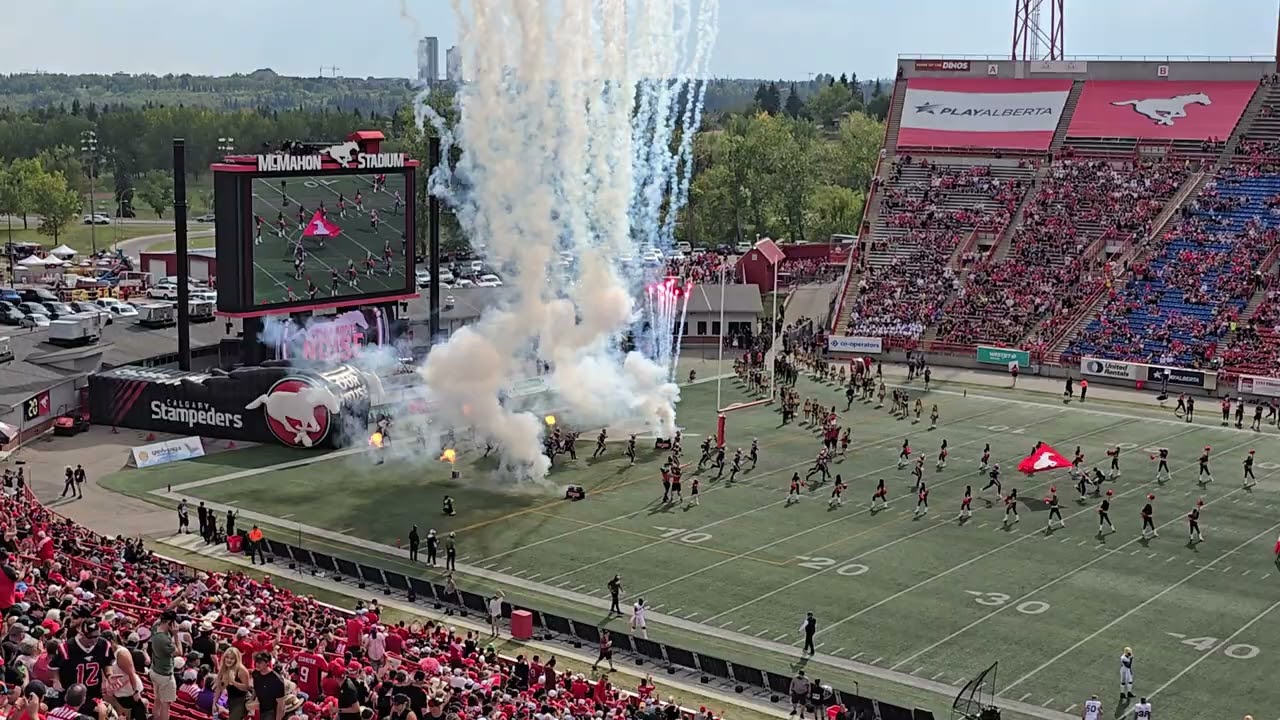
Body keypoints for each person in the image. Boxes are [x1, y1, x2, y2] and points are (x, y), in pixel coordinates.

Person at [149, 608, 181, 720]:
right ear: (169, 622)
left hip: (154, 670)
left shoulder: (155, 628)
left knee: (157, 699)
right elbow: (179, 652)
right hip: (165, 675)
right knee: (165, 705)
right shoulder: (164, 640)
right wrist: (176, 635)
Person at [213, 647, 252, 720]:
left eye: (232, 658)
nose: (229, 660)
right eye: (227, 657)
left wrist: (233, 682)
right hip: (231, 698)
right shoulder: (223, 668)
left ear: (236, 659)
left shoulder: (242, 670)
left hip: (242, 699)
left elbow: (246, 688)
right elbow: (219, 687)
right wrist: (214, 703)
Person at [251, 651, 288, 720]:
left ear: (267, 663)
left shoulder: (276, 680)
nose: (257, 664)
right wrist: (252, 699)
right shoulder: (256, 673)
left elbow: (281, 704)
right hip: (259, 708)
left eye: (260, 662)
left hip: (271, 711)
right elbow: (256, 688)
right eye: (256, 662)